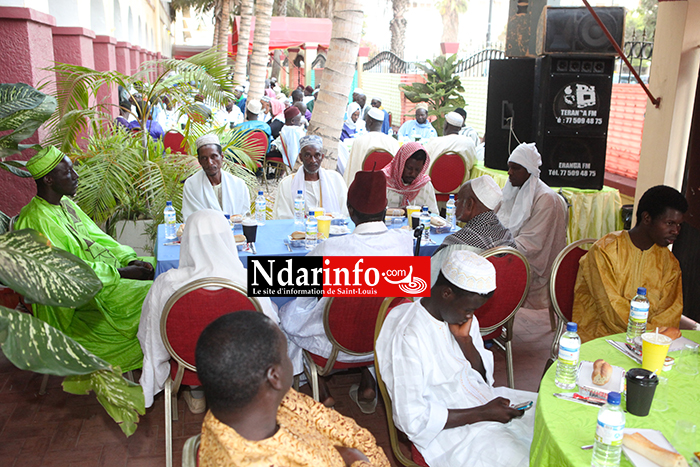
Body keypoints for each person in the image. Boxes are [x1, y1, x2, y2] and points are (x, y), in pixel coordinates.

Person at [376, 250, 536, 467]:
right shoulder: (410, 335)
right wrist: (482, 413)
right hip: (450, 433)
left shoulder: (460, 318)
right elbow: (411, 419)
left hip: (483, 402)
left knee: (546, 420)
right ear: (447, 293)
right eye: (469, 309)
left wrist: (465, 341)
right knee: (521, 458)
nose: (470, 316)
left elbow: (483, 379)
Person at [279, 170, 413, 410]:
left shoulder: (330, 249)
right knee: (374, 312)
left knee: (284, 312)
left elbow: (294, 286)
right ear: (385, 210)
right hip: (381, 341)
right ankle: (368, 383)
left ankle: (320, 385)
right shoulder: (405, 243)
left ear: (349, 211)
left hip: (334, 347)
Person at [16, 146, 154, 371]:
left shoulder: (66, 204)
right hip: (81, 301)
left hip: (106, 275)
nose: (76, 176)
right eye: (68, 172)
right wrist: (121, 274)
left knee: (165, 267)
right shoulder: (35, 220)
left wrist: (129, 260)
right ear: (49, 179)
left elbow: (100, 238)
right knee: (159, 293)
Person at [196, 311, 391, 467]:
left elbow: (319, 416)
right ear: (274, 376)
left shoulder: (241, 405)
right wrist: (356, 457)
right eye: (286, 354)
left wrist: (344, 452)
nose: (290, 360)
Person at [138, 209, 278, 411]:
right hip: (241, 366)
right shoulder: (248, 280)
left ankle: (196, 392)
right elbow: (270, 327)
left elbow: (150, 335)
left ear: (186, 241)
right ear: (227, 239)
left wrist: (156, 370)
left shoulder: (167, 283)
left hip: (187, 367)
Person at [572, 185, 687, 342]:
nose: (676, 231)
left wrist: (650, 339)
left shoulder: (670, 263)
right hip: (600, 341)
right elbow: (612, 311)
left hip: (649, 344)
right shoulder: (605, 251)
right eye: (670, 223)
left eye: (679, 224)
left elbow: (670, 314)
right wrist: (649, 335)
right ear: (647, 218)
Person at [496, 142, 568, 309]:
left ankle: (487, 324)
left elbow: (531, 245)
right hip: (507, 251)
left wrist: (494, 246)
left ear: (529, 171)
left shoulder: (547, 199)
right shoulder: (513, 189)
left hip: (530, 264)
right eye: (509, 167)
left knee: (470, 266)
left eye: (515, 168)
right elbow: (494, 219)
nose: (509, 173)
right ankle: (423, 302)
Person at [273, 136, 349, 219]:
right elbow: (283, 218)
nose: (313, 160)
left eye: (317, 155)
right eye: (307, 155)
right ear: (301, 157)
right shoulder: (287, 184)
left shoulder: (335, 180)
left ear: (322, 157)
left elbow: (345, 213)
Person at [182, 134, 251, 221]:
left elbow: (245, 216)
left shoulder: (238, 184)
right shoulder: (191, 185)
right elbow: (192, 219)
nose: (210, 163)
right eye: (204, 158)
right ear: (199, 161)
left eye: (213, 156)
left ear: (221, 157)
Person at [440, 176, 515, 252]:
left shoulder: (458, 243)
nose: (456, 203)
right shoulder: (506, 235)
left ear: (470, 204)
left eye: (459, 198)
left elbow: (432, 263)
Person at [342, 107, 400, 185]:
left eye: (366, 120)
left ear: (370, 122)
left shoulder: (359, 141)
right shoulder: (394, 143)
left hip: (362, 187)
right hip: (386, 188)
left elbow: (352, 171)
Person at [382, 142, 439, 213]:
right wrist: (401, 212)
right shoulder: (383, 181)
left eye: (417, 170)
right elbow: (374, 214)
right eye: (409, 168)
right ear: (400, 164)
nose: (412, 174)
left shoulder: (424, 185)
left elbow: (434, 215)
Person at [422, 111, 477, 176]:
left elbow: (423, 164)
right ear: (459, 128)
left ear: (445, 126)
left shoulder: (434, 142)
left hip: (432, 184)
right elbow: (473, 163)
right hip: (460, 185)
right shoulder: (469, 143)